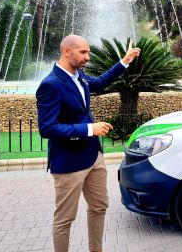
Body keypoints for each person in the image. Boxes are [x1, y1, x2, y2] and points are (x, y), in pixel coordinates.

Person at [36, 35, 140, 252]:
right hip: (68, 162)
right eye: (83, 52)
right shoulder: (50, 85)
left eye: (88, 52)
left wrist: (125, 61)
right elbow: (47, 128)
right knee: (65, 218)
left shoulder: (80, 77)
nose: (87, 57)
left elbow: (101, 83)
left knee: (99, 206)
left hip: (94, 156)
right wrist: (88, 129)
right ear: (67, 51)